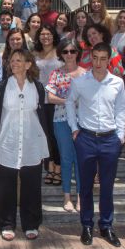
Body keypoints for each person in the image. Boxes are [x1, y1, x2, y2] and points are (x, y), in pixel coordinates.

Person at [66, 42, 125, 248]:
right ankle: (87, 225)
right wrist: (74, 128)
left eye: (103, 58)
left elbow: (121, 109)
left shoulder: (117, 83)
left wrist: (120, 137)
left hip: (110, 139)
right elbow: (69, 102)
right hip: (86, 139)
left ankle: (106, 226)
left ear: (109, 59)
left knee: (107, 186)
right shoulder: (80, 82)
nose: (99, 63)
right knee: (86, 186)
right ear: (90, 57)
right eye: (95, 58)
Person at [0, 49, 49, 241]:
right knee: (5, 186)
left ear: (28, 65)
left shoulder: (38, 87)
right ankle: (6, 223)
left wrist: (45, 144)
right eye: (12, 60)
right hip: (8, 141)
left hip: (31, 142)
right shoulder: (2, 86)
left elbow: (41, 115)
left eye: (19, 60)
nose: (14, 63)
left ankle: (31, 223)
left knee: (31, 185)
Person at [45, 39, 86, 212]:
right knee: (66, 158)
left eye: (73, 51)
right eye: (66, 51)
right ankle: (67, 196)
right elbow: (50, 97)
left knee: (81, 160)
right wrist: (69, 102)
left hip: (83, 122)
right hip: (61, 120)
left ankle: (81, 197)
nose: (69, 55)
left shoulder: (86, 74)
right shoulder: (56, 73)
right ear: (61, 54)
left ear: (78, 53)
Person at [32, 25, 63, 186]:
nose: (45, 37)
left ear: (53, 36)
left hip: (55, 100)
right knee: (45, 137)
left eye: (48, 34)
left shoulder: (60, 52)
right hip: (39, 100)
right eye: (42, 34)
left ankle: (58, 169)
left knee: (55, 136)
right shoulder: (35, 54)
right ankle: (50, 168)